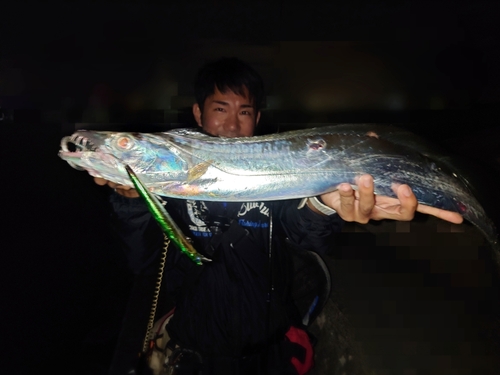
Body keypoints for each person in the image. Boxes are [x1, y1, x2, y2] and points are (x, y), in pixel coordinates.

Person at [93, 57, 463, 375]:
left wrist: (322, 204)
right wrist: (132, 202)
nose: (233, 125)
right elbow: (141, 260)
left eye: (245, 112)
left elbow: (311, 239)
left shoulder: (276, 173)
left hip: (266, 352)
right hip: (192, 348)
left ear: (257, 119)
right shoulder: (167, 188)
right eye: (220, 109)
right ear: (198, 113)